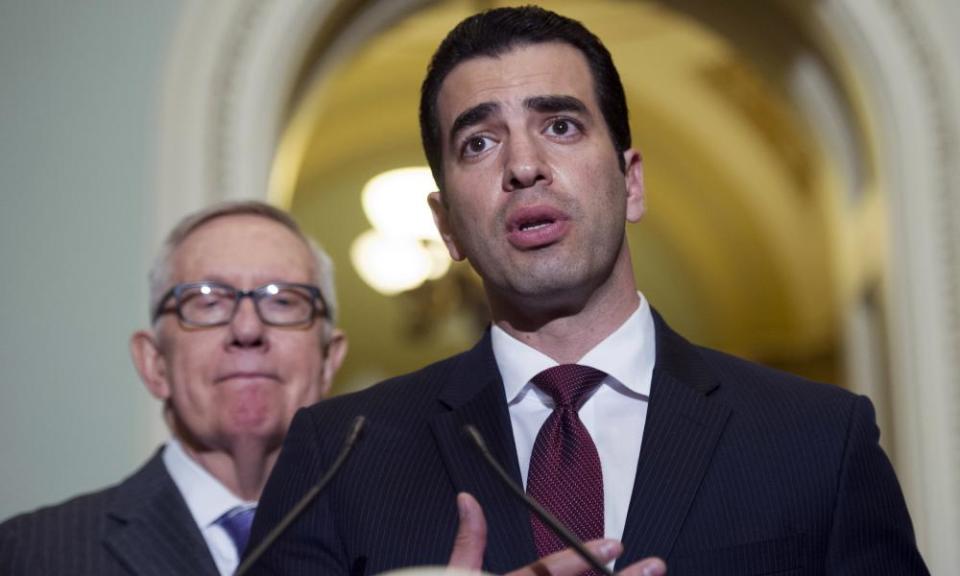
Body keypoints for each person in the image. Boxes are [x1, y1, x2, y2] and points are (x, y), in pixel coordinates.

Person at [248, 6, 928, 575]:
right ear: (447, 225)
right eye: (479, 143)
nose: (523, 166)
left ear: (631, 183)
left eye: (561, 126)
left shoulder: (816, 439)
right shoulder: (339, 456)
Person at [0, 201, 347, 575]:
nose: (247, 330)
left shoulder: (394, 540)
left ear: (329, 359)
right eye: (208, 301)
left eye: (282, 301)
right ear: (155, 363)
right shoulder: (30, 554)